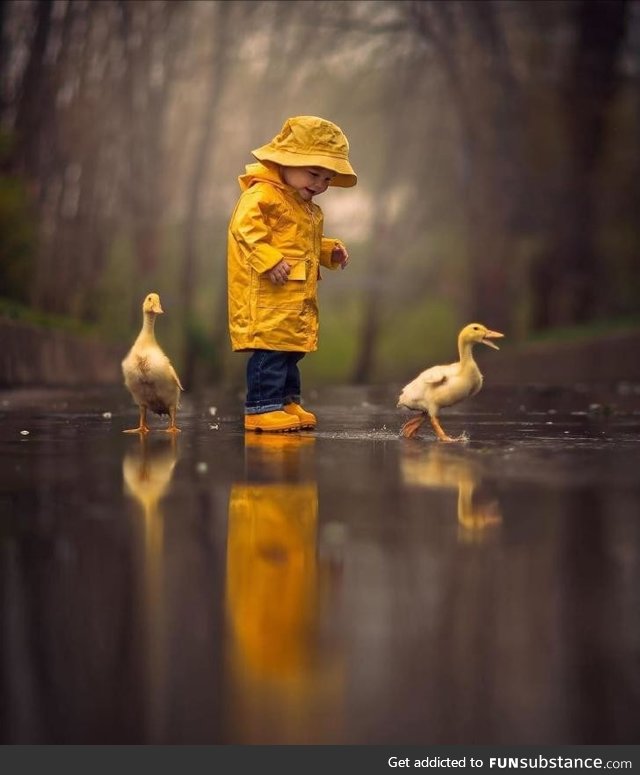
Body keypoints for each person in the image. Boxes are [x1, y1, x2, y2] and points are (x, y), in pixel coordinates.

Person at [227, 115, 358, 432]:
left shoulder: (306, 206)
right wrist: (269, 258)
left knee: (290, 353)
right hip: (268, 294)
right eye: (314, 173)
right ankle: (261, 407)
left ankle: (286, 402)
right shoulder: (262, 196)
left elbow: (300, 243)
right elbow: (244, 229)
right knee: (270, 351)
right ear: (284, 161)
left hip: (294, 296)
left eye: (326, 179)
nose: (319, 184)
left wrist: (327, 251)